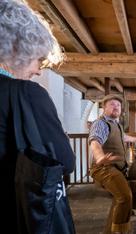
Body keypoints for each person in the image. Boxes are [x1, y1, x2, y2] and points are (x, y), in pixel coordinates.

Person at [0, 0, 76, 232]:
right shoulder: (26, 94)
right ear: (17, 48)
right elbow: (66, 162)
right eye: (38, 60)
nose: (38, 70)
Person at [89, 94, 136, 234]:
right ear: (104, 108)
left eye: (118, 105)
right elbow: (95, 141)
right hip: (103, 168)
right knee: (125, 197)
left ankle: (111, 230)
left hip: (117, 168)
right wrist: (100, 157)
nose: (116, 107)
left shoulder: (117, 125)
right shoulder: (101, 123)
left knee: (119, 198)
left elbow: (125, 137)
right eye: (112, 104)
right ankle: (119, 231)